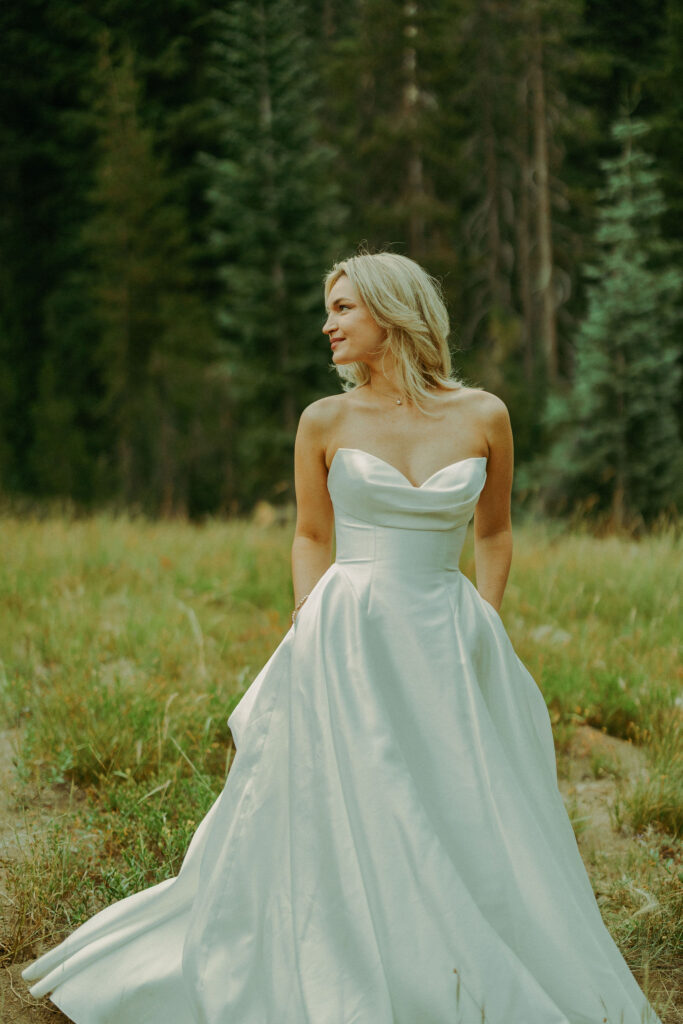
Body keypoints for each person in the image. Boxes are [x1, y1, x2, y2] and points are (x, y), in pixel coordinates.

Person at [23, 252, 662, 1023]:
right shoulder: (323, 421)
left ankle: (460, 958)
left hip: (447, 629)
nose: (327, 325)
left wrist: (484, 624)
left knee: (459, 797)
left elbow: (493, 534)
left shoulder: (483, 415)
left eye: (342, 308)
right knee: (358, 792)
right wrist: (311, 620)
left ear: (391, 313)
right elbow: (308, 534)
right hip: (348, 631)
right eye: (328, 309)